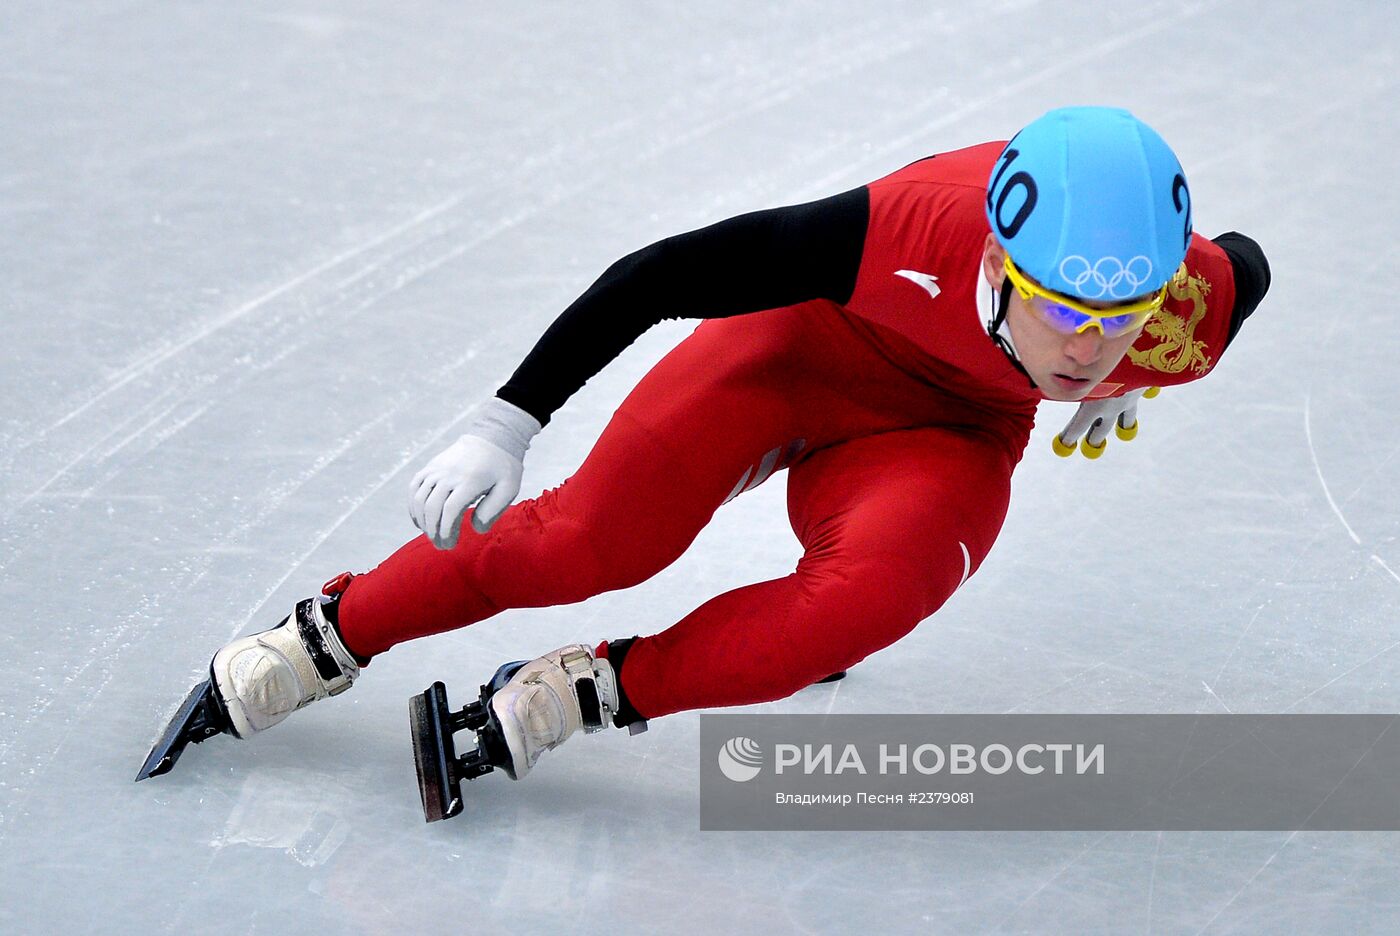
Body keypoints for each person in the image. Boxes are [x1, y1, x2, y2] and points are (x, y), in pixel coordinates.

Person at [201, 106, 1271, 784]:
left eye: (1120, 313)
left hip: (947, 430)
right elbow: (660, 275)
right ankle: (329, 635)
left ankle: (590, 689)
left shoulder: (1176, 316)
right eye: (1058, 310)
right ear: (996, 258)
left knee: (860, 606)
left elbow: (1245, 262)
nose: (1087, 348)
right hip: (798, 348)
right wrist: (504, 421)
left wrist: (1143, 374)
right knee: (589, 545)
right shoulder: (899, 229)